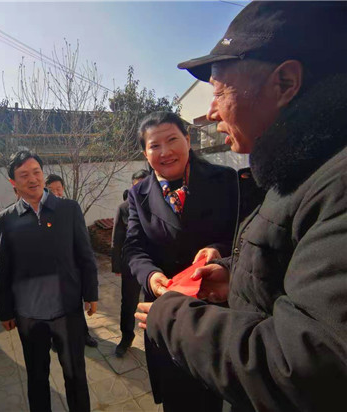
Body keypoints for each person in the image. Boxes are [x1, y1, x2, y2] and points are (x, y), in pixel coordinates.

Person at [136, 2, 347, 411]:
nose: (211, 111)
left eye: (219, 91)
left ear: (285, 82)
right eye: (153, 146)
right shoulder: (297, 172)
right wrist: (235, 275)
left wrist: (173, 317)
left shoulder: (334, 184)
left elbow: (308, 366)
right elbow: (290, 261)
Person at [123, 111, 238, 411]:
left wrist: (217, 250)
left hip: (212, 305)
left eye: (172, 139)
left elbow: (243, 234)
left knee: (211, 391)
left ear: (188, 139)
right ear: (145, 152)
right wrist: (151, 276)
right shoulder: (138, 194)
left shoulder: (225, 180)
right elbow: (134, 248)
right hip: (165, 308)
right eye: (154, 145)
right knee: (176, 394)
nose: (165, 152)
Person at [0, 151, 98, 412]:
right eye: (24, 175)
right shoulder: (7, 218)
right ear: (13, 182)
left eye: (36, 172)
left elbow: (85, 254)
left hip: (67, 310)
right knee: (37, 377)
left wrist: (91, 293)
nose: (32, 179)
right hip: (29, 315)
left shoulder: (68, 209)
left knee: (75, 375)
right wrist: (6, 310)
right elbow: (3, 267)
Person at [45, 173, 98, 349]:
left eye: (58, 189)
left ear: (63, 189)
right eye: (51, 190)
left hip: (71, 271)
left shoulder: (71, 208)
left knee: (76, 309)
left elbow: (83, 245)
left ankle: (84, 335)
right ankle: (56, 339)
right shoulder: (41, 212)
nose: (56, 193)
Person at [111, 169, 149, 357]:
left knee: (157, 303)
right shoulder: (124, 208)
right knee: (128, 303)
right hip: (132, 264)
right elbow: (117, 239)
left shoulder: (160, 205)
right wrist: (117, 265)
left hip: (156, 265)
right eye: (137, 186)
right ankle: (126, 337)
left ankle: (156, 339)